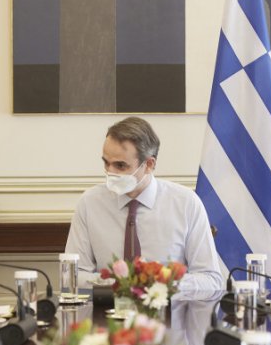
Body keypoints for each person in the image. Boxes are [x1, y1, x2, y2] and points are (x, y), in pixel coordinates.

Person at [65, 117, 223, 291]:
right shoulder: (90, 203)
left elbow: (211, 280)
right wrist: (122, 285)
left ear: (149, 164)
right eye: (106, 163)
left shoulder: (186, 203)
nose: (110, 172)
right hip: (107, 306)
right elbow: (71, 276)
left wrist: (161, 285)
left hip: (170, 305)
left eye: (120, 165)